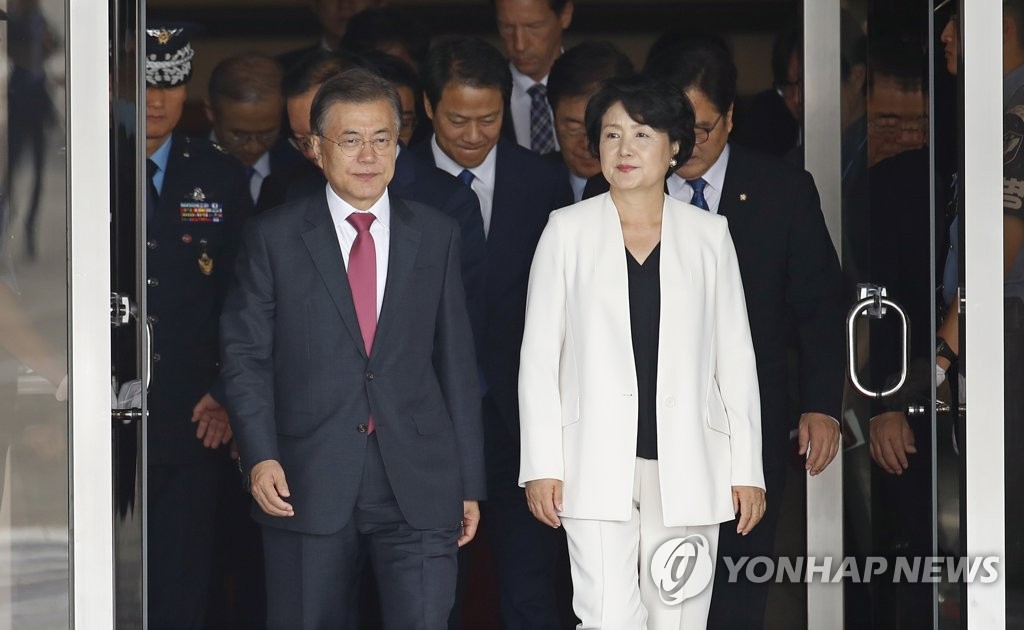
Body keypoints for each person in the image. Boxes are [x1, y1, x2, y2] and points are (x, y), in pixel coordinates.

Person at [583, 35, 845, 630]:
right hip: (637, 430)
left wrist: (820, 405)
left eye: (701, 128)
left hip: (745, 425)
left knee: (735, 590)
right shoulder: (611, 191)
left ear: (730, 117)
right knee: (637, 592)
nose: (688, 143)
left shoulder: (782, 189)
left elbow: (817, 307)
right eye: (672, 127)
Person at [219, 68, 486, 630]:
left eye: (382, 138)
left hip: (419, 480)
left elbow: (457, 365)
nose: (368, 156)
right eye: (350, 140)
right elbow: (246, 357)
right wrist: (260, 456)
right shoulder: (273, 237)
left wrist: (468, 482)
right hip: (305, 478)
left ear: (399, 145)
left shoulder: (435, 233)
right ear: (316, 149)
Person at [519, 72, 765, 630]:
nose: (625, 149)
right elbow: (538, 359)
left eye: (642, 134)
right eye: (612, 135)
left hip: (692, 458)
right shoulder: (566, 231)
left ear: (675, 146)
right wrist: (541, 464)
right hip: (591, 459)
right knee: (606, 617)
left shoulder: (710, 236)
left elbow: (735, 359)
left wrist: (747, 468)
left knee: (678, 616)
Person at [412, 37, 574, 630]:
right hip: (427, 420)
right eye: (458, 120)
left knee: (530, 585)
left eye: (489, 119)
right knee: (431, 592)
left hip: (518, 417)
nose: (475, 135)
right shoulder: (395, 182)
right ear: (428, 106)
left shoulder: (540, 180)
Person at [141, 25, 252, 630]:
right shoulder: (74, 167)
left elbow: (247, 296)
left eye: (170, 83)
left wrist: (227, 390)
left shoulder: (219, 174)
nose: (156, 100)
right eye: (141, 84)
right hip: (94, 414)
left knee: (183, 586)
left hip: (195, 416)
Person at [205, 54, 303, 209]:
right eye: (239, 135)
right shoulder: (182, 165)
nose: (253, 147)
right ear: (210, 111)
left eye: (266, 134)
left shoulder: (301, 166)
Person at [546, 41, 633, 202]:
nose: (587, 144)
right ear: (554, 119)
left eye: (599, 128)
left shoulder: (653, 187)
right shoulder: (530, 182)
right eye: (573, 127)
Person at [491, 0, 574, 154]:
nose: (520, 45)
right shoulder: (484, 93)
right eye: (507, 27)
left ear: (565, 14)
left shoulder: (598, 88)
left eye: (534, 27)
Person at [276, 0, 382, 73]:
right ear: (313, 3)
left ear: (378, 3)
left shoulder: (388, 66)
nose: (345, 5)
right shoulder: (283, 69)